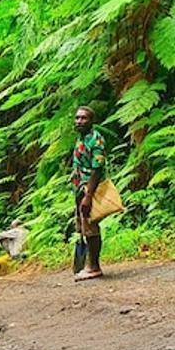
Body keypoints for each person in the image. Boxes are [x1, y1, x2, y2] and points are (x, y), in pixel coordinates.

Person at [71, 105, 106, 281]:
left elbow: (97, 169)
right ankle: (88, 264)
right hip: (80, 189)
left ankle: (94, 267)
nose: (79, 121)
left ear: (91, 121)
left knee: (91, 227)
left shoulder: (95, 140)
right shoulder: (81, 139)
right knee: (84, 226)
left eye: (84, 118)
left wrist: (88, 196)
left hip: (90, 189)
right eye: (77, 118)